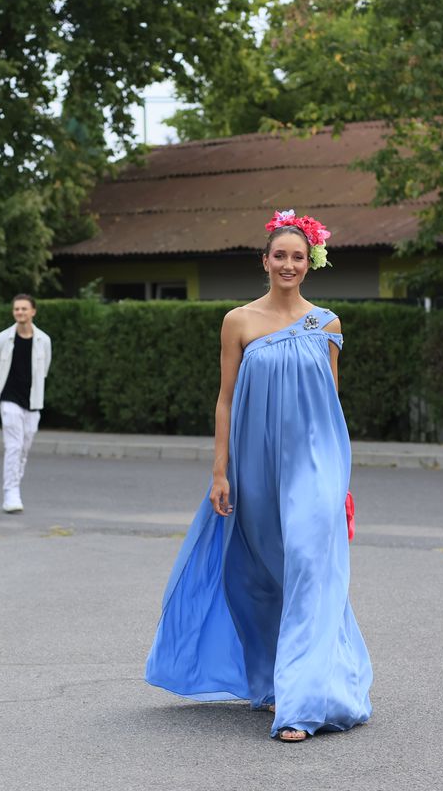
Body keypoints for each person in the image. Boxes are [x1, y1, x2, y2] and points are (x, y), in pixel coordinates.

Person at [145, 210, 373, 742]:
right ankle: (272, 680)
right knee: (260, 575)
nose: (288, 264)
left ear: (310, 262)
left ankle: (302, 703)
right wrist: (219, 471)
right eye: (280, 256)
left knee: (311, 567)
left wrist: (338, 479)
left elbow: (331, 405)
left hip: (315, 464)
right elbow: (225, 399)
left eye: (298, 256)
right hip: (255, 465)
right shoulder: (239, 322)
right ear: (265, 261)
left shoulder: (327, 324)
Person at [0, 294, 52, 513]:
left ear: (33, 311)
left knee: (24, 447)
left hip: (32, 400)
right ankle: (11, 492)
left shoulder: (43, 340)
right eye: (16, 309)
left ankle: (15, 483)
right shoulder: (2, 339)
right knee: (13, 446)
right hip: (9, 398)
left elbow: (44, 370)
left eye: (24, 309)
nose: (20, 312)